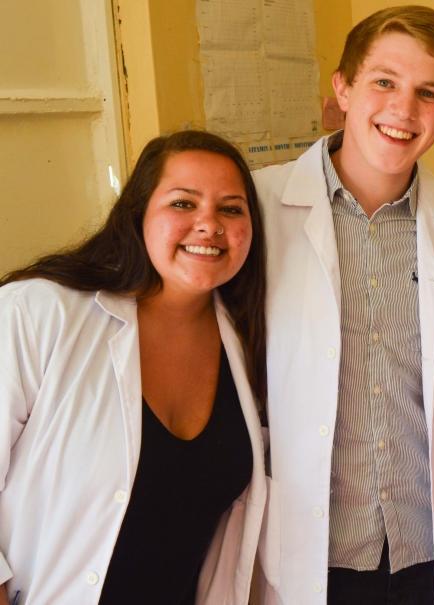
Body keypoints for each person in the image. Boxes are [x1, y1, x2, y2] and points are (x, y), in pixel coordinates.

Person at [253, 6, 434, 604]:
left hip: (428, 540)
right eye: (384, 82)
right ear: (343, 87)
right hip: (310, 540)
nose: (403, 110)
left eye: (428, 93)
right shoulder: (258, 208)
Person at [0, 130, 268, 604]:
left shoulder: (248, 340)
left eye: (230, 208)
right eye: (183, 204)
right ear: (137, 213)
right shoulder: (38, 313)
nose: (209, 224)